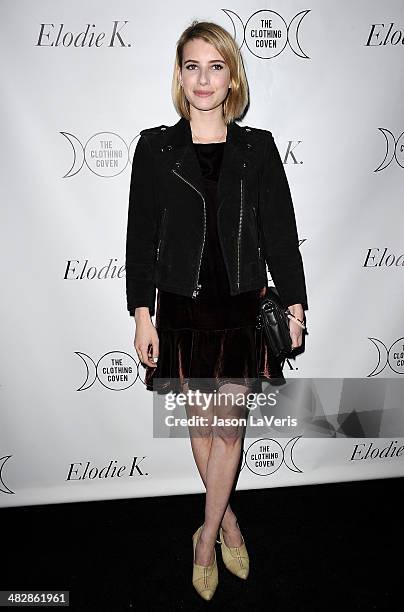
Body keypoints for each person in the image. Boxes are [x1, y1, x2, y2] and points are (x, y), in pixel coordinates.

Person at [125, 20, 308, 600]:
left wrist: (296, 304)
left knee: (228, 430)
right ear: (180, 76)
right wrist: (141, 313)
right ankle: (226, 520)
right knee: (203, 429)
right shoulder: (155, 148)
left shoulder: (259, 148)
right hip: (181, 309)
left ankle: (204, 540)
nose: (203, 79)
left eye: (215, 66)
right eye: (192, 66)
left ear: (232, 76)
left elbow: (281, 233)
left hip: (240, 308)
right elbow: (139, 238)